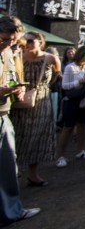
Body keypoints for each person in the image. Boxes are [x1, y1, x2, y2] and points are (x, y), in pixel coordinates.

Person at [0, 16, 40, 224]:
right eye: (4, 39)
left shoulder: (8, 54)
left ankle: (11, 210)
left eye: (12, 41)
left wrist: (17, 87)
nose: (7, 44)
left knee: (7, 165)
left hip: (4, 114)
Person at [11, 31, 61, 187]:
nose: (27, 44)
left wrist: (40, 88)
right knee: (17, 137)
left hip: (41, 102)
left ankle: (33, 175)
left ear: (40, 42)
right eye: (25, 41)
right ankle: (14, 172)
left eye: (31, 41)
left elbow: (55, 76)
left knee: (37, 138)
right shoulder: (17, 57)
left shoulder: (50, 58)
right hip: (19, 102)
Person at [56, 45, 85, 168]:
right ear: (82, 54)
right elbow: (65, 86)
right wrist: (80, 81)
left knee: (82, 125)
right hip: (72, 100)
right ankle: (60, 156)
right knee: (68, 127)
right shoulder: (70, 67)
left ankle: (80, 151)